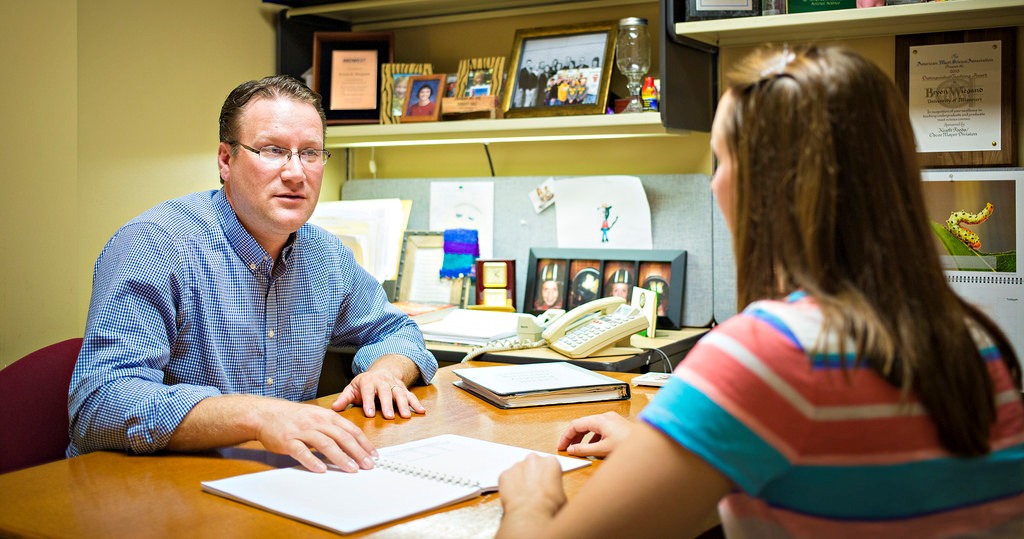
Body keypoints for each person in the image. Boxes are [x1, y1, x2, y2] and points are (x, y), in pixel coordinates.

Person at [497, 45, 1024, 537]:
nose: (712, 184)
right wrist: (669, 446)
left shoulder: (769, 350)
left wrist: (530, 501)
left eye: (721, 160)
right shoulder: (974, 341)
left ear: (765, 185)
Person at [68, 75, 438, 474]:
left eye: (311, 153)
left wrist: (386, 372)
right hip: (149, 489)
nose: (296, 173)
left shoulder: (325, 254)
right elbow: (100, 402)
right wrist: (259, 417)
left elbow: (395, 332)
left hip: (277, 480)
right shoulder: (155, 247)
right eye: (273, 150)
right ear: (226, 160)